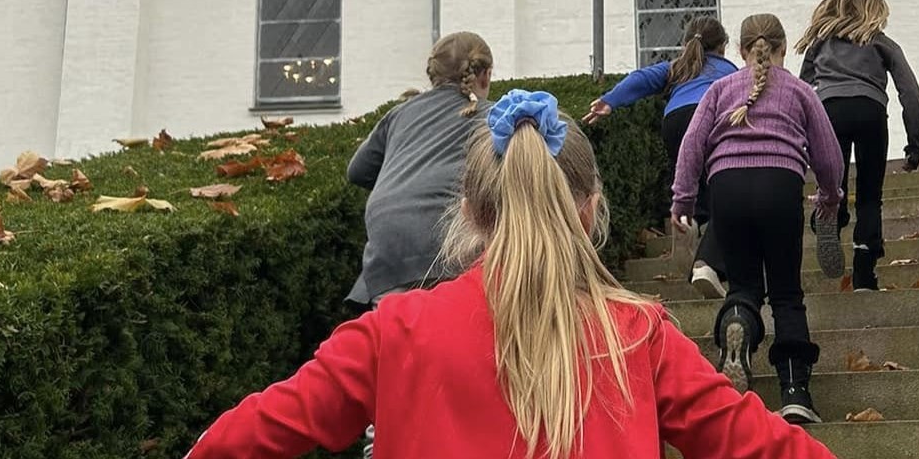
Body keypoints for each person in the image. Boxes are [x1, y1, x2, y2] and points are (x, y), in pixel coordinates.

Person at [185, 90, 841, 459]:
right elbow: (767, 448)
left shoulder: (394, 330)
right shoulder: (637, 336)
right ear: (591, 212)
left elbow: (240, 441)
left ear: (470, 212)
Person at [671, 14, 845, 425]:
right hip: (780, 185)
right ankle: (795, 391)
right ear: (782, 48)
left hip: (726, 189)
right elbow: (828, 154)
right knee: (785, 293)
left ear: (741, 50)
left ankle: (738, 323)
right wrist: (830, 196)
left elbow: (692, 144)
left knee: (743, 285)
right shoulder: (800, 90)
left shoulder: (719, 89)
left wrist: (683, 200)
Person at [344, 31, 493, 458]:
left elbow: (357, 171)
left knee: (394, 356)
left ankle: (380, 444)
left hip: (387, 246)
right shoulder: (491, 116)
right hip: (451, 244)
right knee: (463, 352)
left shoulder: (400, 115)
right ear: (483, 75)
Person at [583, 16, 736, 299]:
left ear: (687, 44)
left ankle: (689, 219)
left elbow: (641, 78)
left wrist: (610, 100)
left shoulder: (678, 67)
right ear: (723, 47)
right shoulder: (729, 70)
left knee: (694, 184)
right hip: (709, 118)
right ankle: (706, 264)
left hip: (674, 121)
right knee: (727, 192)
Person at [795, 0, 919, 293]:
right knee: (869, 195)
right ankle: (864, 274)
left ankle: (831, 214)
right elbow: (911, 94)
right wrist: (915, 146)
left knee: (833, 184)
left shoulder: (821, 43)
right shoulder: (883, 43)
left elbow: (801, 91)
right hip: (871, 112)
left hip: (829, 112)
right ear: (874, 9)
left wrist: (800, 143)